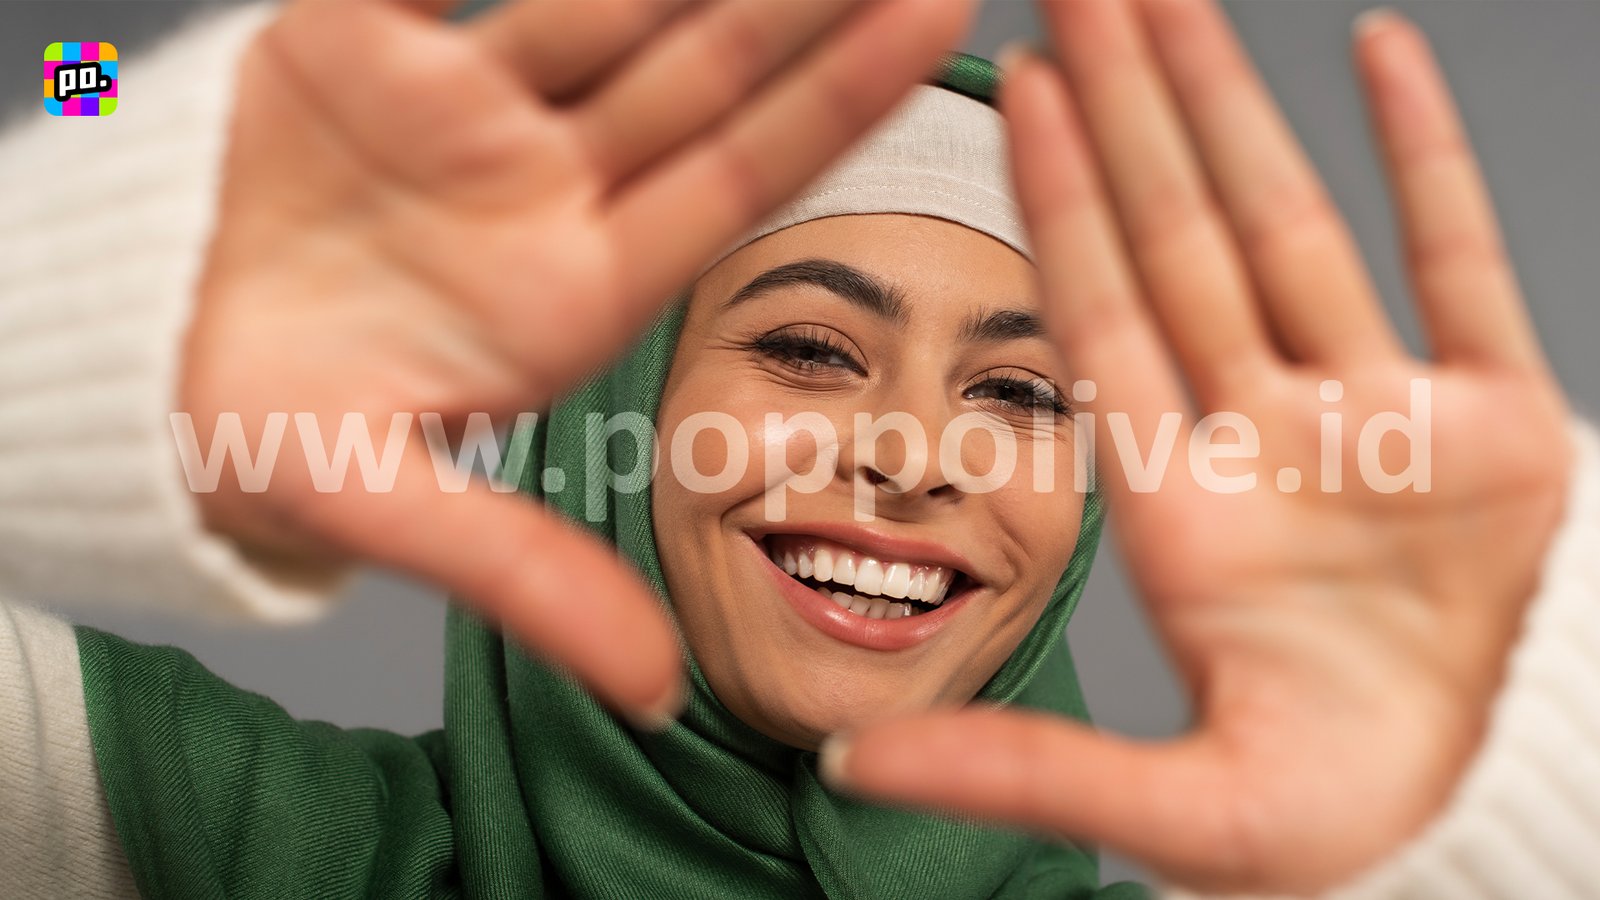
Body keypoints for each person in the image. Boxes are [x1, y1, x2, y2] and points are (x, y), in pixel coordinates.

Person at [0, 0, 1594, 897]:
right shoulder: (215, 837)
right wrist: (74, 230)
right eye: (810, 351)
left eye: (1022, 395)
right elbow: (69, 76)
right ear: (611, 414)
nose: (915, 456)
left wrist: (1533, 791)